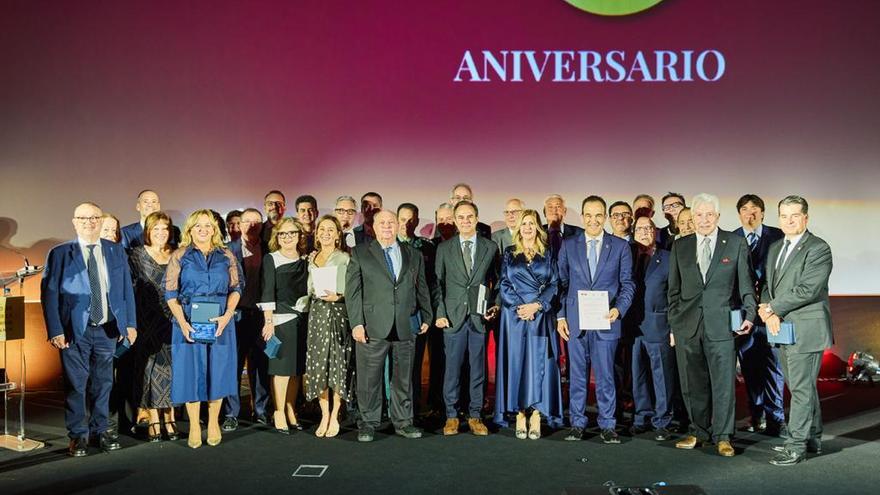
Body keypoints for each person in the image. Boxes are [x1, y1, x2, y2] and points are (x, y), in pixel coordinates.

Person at [41, 202, 137, 456]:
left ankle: (100, 431)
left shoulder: (116, 251)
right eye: (83, 218)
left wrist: (130, 323)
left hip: (107, 329)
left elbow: (126, 289)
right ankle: (78, 436)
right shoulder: (60, 253)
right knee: (76, 385)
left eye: (94, 217)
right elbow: (49, 294)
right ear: (74, 222)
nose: (89, 222)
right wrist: (55, 329)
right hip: (74, 331)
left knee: (104, 384)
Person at [668, 193, 756, 457]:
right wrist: (675, 322)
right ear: (692, 218)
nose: (704, 220)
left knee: (723, 383)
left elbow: (746, 286)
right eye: (699, 215)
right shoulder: (680, 246)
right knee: (692, 382)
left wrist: (750, 315)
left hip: (721, 325)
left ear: (717, 216)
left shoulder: (735, 243)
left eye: (709, 215)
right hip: (687, 326)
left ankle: (723, 436)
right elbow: (673, 290)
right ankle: (698, 431)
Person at [345, 210, 433, 442]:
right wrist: (356, 324)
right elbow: (353, 293)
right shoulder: (361, 253)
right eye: (382, 223)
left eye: (391, 222)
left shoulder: (412, 253)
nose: (387, 226)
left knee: (403, 378)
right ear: (373, 226)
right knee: (369, 378)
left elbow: (421, 287)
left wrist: (427, 315)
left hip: (406, 323)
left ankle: (403, 422)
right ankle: (368, 423)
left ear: (398, 226)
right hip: (372, 326)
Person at [760, 196, 833, 466]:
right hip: (781, 327)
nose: (789, 221)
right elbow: (768, 284)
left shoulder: (818, 248)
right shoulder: (776, 246)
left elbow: (808, 289)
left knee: (801, 389)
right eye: (783, 216)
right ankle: (812, 437)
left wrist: (772, 310)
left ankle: (795, 445)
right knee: (801, 387)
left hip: (806, 327)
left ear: (806, 218)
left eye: (794, 215)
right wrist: (766, 308)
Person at [556, 195, 634, 444]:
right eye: (588, 215)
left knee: (605, 376)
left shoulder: (620, 247)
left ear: (605, 217)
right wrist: (560, 317)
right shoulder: (569, 245)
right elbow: (561, 283)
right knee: (577, 376)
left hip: (606, 321)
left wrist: (618, 310)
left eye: (598, 215)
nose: (593, 220)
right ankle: (577, 424)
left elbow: (628, 285)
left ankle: (608, 425)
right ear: (582, 217)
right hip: (577, 323)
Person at [165, 209, 242, 448]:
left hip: (220, 321)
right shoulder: (180, 255)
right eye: (197, 225)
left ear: (214, 229)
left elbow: (236, 289)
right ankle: (195, 425)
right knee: (191, 373)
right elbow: (170, 294)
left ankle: (213, 422)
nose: (203, 230)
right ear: (189, 229)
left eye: (208, 225)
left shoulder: (226, 255)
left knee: (218, 372)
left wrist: (228, 315)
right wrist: (183, 323)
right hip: (188, 320)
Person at [493, 209, 562, 439]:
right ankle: (520, 412)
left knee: (539, 364)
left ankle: (537, 414)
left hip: (540, 316)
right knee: (517, 363)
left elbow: (555, 284)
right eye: (524, 223)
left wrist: (538, 305)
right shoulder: (509, 253)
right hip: (514, 318)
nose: (528, 227)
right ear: (519, 228)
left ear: (538, 227)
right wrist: (520, 308)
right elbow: (503, 284)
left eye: (532, 223)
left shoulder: (549, 253)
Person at [435, 201, 500, 436]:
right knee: (452, 370)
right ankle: (451, 416)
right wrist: (440, 313)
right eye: (460, 217)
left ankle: (475, 415)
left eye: (469, 216)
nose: (465, 221)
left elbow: (499, 280)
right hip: (452, 318)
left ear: (476, 218)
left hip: (478, 318)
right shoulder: (444, 248)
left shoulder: (490, 247)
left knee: (478, 371)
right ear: (454, 219)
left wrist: (495, 305)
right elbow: (438, 284)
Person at [733, 194, 786, 435]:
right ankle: (756, 416)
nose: (750, 214)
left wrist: (774, 308)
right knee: (750, 368)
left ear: (763, 213)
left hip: (773, 314)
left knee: (774, 368)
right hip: (744, 316)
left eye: (755, 209)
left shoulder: (778, 236)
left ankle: (776, 418)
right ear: (739, 214)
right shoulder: (731, 239)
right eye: (744, 210)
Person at [626, 216, 675, 441]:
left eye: (648, 228)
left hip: (659, 326)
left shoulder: (667, 257)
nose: (644, 232)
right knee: (638, 375)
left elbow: (676, 295)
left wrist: (674, 327)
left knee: (661, 376)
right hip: (633, 327)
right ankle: (641, 417)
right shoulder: (627, 255)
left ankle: (663, 420)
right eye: (640, 228)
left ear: (655, 231)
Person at [128, 211, 177, 442]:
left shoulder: (178, 254)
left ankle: (171, 417)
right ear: (147, 231)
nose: (160, 233)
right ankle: (153, 419)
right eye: (155, 229)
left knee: (172, 369)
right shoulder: (136, 255)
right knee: (149, 369)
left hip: (173, 318)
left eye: (164, 228)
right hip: (145, 320)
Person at [259, 217, 310, 434]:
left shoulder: (308, 259)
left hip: (303, 320)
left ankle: (290, 408)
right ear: (276, 237)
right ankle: (278, 411)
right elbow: (267, 291)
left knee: (297, 370)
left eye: (292, 233)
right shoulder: (272, 259)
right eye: (283, 234)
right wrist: (268, 322)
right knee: (281, 370)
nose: (287, 237)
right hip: (280, 322)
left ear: (299, 236)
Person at [305, 215, 354, 437]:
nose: (325, 233)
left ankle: (336, 414)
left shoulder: (344, 258)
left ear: (337, 235)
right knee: (318, 365)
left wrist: (340, 297)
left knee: (337, 364)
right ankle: (324, 414)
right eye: (321, 229)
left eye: (330, 230)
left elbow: (351, 290)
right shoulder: (311, 258)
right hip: (316, 314)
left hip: (336, 313)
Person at [223, 208, 271, 431]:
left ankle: (260, 411)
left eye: (257, 222)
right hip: (236, 315)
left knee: (260, 365)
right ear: (239, 225)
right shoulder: (227, 251)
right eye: (248, 222)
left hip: (261, 315)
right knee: (232, 365)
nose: (252, 226)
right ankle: (231, 413)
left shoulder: (269, 248)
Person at [398, 203, 442, 417]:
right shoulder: (386, 245)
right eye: (402, 219)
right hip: (393, 314)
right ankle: (393, 406)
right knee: (395, 364)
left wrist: (429, 313)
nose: (406, 224)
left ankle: (414, 407)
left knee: (415, 362)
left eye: (410, 219)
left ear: (417, 221)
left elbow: (432, 284)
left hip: (418, 314)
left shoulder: (426, 247)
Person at [542, 194, 584, 260]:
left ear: (564, 211)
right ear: (544, 212)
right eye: (550, 207)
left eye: (558, 206)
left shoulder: (579, 233)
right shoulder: (537, 232)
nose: (554, 210)